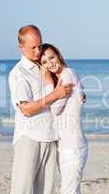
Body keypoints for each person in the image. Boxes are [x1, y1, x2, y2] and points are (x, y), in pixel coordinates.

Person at [8, 25, 73, 194]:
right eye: (33, 48)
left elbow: (65, 83)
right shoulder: (18, 74)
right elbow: (26, 109)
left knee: (46, 191)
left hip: (50, 137)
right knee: (22, 190)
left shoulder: (45, 65)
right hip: (29, 138)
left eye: (40, 45)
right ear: (21, 47)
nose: (38, 51)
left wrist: (78, 94)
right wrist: (56, 95)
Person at [40, 43, 88, 194]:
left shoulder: (67, 74)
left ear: (58, 55)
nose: (50, 63)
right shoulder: (62, 78)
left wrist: (48, 81)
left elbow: (54, 108)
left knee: (68, 190)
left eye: (51, 57)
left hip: (72, 146)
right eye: (44, 62)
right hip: (66, 144)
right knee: (72, 189)